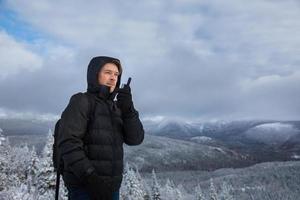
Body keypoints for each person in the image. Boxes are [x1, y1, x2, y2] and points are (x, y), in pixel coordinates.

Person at [57, 56, 144, 200]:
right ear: (94, 74)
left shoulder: (116, 107)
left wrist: (128, 109)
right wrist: (91, 179)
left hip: (111, 189)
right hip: (84, 188)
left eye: (116, 74)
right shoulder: (81, 101)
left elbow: (135, 139)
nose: (113, 78)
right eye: (107, 72)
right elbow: (68, 142)